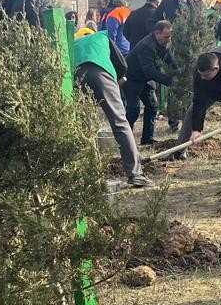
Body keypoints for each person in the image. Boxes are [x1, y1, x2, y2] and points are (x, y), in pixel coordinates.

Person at [73, 25, 150, 187]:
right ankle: (135, 174)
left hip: (76, 75)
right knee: (120, 122)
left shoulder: (72, 43)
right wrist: (115, 82)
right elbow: (122, 64)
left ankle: (89, 174)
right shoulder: (102, 36)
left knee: (84, 127)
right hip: (101, 73)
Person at [171, 44, 221, 163]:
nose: (202, 78)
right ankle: (180, 151)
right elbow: (199, 102)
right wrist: (196, 130)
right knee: (191, 111)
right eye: (201, 74)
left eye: (205, 75)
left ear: (216, 68)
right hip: (215, 86)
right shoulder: (199, 74)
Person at [124, 19, 174, 144]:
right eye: (166, 36)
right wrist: (170, 80)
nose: (169, 39)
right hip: (132, 78)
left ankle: (147, 139)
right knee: (133, 110)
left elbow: (170, 61)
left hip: (145, 79)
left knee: (152, 106)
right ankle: (125, 141)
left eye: (170, 36)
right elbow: (149, 71)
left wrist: (178, 72)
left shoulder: (165, 44)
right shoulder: (146, 46)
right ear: (157, 33)